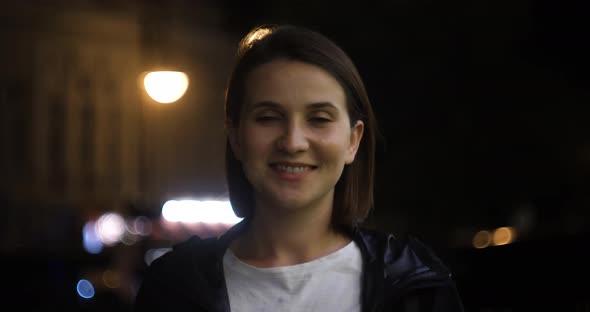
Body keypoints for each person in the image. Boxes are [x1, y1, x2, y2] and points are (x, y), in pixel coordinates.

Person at [133, 24, 464, 312]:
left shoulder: (415, 285)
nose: (293, 142)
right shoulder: (174, 288)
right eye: (268, 118)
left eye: (318, 119)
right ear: (235, 136)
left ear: (353, 140)